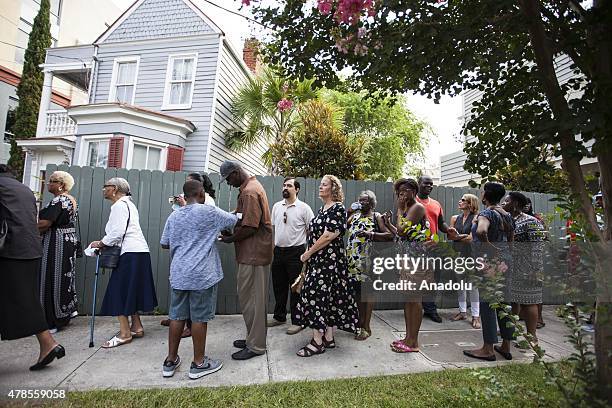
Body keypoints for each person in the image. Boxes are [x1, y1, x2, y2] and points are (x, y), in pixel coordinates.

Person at [160, 180, 238, 379]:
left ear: (184, 197)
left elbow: (165, 244)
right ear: (202, 194)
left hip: (179, 274)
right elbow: (233, 220)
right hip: (202, 275)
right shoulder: (209, 212)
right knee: (199, 318)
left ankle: (170, 361)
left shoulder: (174, 216)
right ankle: (199, 363)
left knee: (177, 316)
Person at [0, 164, 65, 370]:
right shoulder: (23, 188)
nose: (50, 184)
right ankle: (48, 344)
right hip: (31, 249)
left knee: (23, 299)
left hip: (11, 250)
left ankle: (49, 344)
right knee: (26, 297)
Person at [294, 175, 358, 357]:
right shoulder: (323, 209)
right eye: (320, 184)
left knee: (314, 295)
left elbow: (330, 235)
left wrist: (309, 252)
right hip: (319, 262)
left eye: (324, 185)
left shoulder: (337, 208)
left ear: (333, 189)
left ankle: (317, 342)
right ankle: (328, 337)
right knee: (328, 298)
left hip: (329, 264)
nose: (320, 187)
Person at [89, 177, 158, 348]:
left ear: (114, 189)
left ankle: (125, 333)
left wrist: (101, 243)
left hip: (130, 252)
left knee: (118, 291)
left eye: (105, 186)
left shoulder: (119, 206)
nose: (103, 190)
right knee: (129, 290)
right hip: (139, 251)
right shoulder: (129, 205)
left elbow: (117, 232)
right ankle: (137, 326)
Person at [218, 161, 274, 360]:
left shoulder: (250, 192)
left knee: (254, 301)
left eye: (228, 179)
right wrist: (231, 229)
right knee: (249, 298)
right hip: (251, 253)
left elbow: (250, 227)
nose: (228, 184)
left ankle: (256, 346)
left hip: (254, 254)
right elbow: (244, 219)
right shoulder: (249, 188)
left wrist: (229, 238)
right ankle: (253, 337)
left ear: (236, 172)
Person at [463, 182, 515, 361]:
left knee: (487, 304)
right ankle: (506, 345)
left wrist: (489, 249)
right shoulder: (507, 215)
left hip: (488, 263)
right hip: (506, 261)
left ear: (485, 196)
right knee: (503, 302)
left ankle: (488, 348)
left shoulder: (485, 213)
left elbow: (481, 230)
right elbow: (511, 239)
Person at [161, 172, 217, 337]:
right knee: (183, 304)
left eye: (189, 182)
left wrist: (185, 205)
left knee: (196, 305)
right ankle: (180, 322)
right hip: (185, 262)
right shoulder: (179, 211)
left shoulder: (207, 201)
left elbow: (202, 221)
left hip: (197, 261)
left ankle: (188, 327)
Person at [385, 178, 429, 353]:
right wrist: (388, 223)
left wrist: (401, 209)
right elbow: (400, 233)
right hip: (405, 259)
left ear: (414, 191)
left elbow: (403, 229)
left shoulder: (417, 207)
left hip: (416, 260)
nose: (402, 193)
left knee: (414, 299)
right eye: (399, 191)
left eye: (406, 190)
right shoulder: (404, 208)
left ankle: (414, 342)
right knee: (408, 299)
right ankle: (408, 337)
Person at [268, 177, 314, 335]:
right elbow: (274, 229)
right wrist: (273, 248)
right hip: (279, 252)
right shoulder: (276, 207)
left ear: (297, 189)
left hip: (297, 252)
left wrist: (307, 252)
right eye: (284, 185)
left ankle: (298, 320)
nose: (285, 188)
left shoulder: (304, 208)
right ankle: (279, 316)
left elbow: (312, 231)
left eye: (289, 185)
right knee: (278, 286)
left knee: (296, 288)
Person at [502, 191, 547, 348]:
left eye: (506, 201)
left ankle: (532, 337)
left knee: (529, 302)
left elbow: (538, 246)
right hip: (512, 269)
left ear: (514, 204)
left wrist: (535, 270)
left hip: (528, 269)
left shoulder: (531, 221)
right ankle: (511, 334)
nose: (503, 203)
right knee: (513, 302)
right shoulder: (508, 220)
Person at [346, 190, 393, 340]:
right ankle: (360, 323)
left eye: (365, 200)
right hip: (354, 261)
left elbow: (389, 236)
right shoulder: (355, 216)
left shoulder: (376, 217)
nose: (362, 203)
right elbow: (344, 227)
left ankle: (366, 326)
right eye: (360, 200)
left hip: (370, 261)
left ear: (372, 203)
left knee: (368, 293)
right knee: (358, 293)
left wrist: (370, 235)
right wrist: (348, 212)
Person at [37, 171, 79, 333]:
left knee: (51, 277)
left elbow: (44, 223)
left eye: (52, 181)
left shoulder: (59, 200)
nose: (49, 183)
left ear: (61, 185)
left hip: (56, 243)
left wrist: (26, 231)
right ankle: (66, 312)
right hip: (68, 240)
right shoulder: (71, 199)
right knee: (65, 277)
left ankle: (53, 320)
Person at [415, 175, 457, 323]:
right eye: (426, 183)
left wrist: (449, 230)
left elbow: (441, 223)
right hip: (416, 248)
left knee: (433, 279)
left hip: (434, 247)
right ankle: (415, 308)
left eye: (431, 184)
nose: (429, 186)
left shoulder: (436, 204)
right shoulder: (412, 202)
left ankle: (430, 309)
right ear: (419, 183)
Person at [449, 193, 481, 329]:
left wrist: (458, 237)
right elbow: (450, 236)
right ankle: (462, 312)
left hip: (472, 254)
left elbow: (472, 238)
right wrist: (460, 237)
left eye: (463, 200)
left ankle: (475, 315)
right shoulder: (455, 218)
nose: (459, 201)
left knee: (473, 286)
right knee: (460, 284)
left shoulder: (477, 218)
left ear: (470, 204)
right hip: (457, 254)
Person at [522, 197, 546, 329]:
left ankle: (539, 319)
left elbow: (541, 240)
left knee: (535, 293)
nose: (526, 206)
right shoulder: (517, 219)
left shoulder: (535, 219)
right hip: (521, 262)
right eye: (524, 204)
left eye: (528, 204)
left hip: (534, 261)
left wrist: (535, 266)